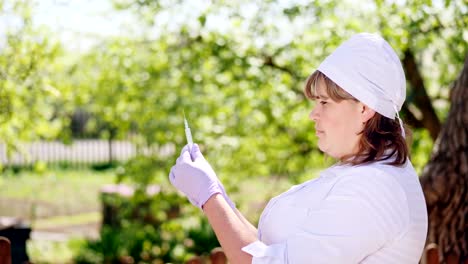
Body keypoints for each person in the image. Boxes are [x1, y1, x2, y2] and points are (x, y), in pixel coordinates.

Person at [169, 32, 428, 263]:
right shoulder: (364, 175)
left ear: (364, 107)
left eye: (324, 102)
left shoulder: (374, 189)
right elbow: (266, 253)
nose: (313, 114)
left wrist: (210, 197)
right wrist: (219, 196)